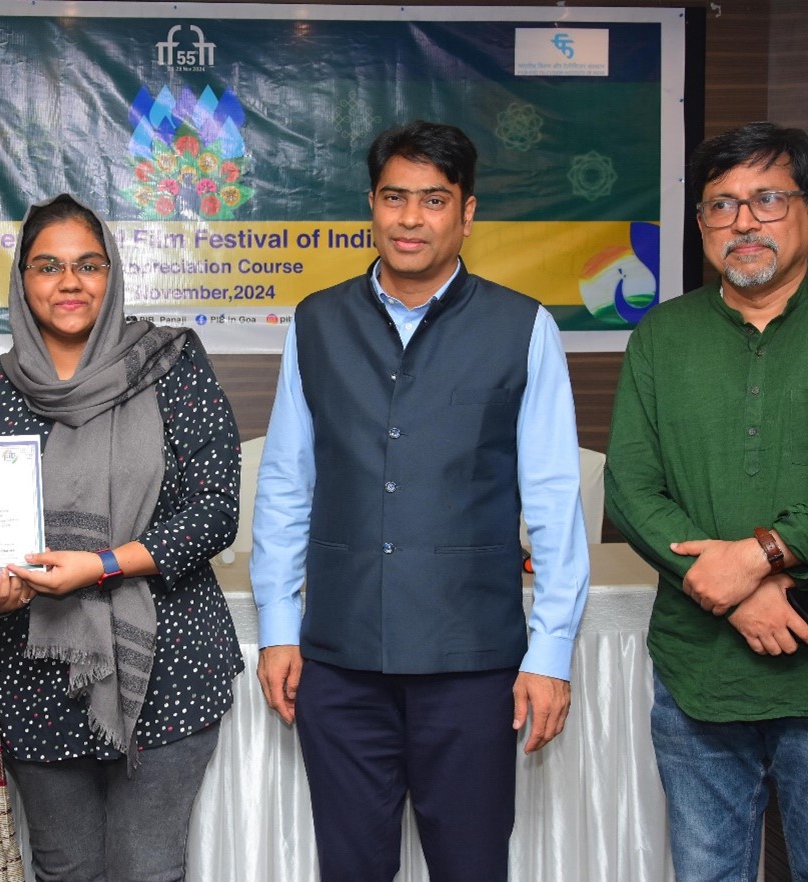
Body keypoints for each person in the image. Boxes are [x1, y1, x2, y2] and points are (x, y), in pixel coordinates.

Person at [252, 120, 591, 882]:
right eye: (393, 197)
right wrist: (277, 626)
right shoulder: (316, 322)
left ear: (466, 213)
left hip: (471, 664)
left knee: (470, 868)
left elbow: (552, 499)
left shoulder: (522, 327)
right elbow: (285, 483)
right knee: (350, 869)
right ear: (370, 206)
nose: (410, 219)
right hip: (339, 662)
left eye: (433, 200)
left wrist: (550, 652)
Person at [604, 121, 808, 881]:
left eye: (768, 199)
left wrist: (760, 555)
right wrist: (733, 592)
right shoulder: (660, 336)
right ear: (700, 225)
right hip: (700, 675)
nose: (744, 222)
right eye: (720, 205)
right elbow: (632, 487)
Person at [0, 193, 244, 882]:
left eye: (88, 264)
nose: (69, 282)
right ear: (21, 279)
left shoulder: (170, 364)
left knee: (148, 869)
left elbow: (214, 511)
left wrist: (101, 566)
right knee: (65, 870)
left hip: (168, 663)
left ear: (112, 274)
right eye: (48, 266)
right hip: (35, 666)